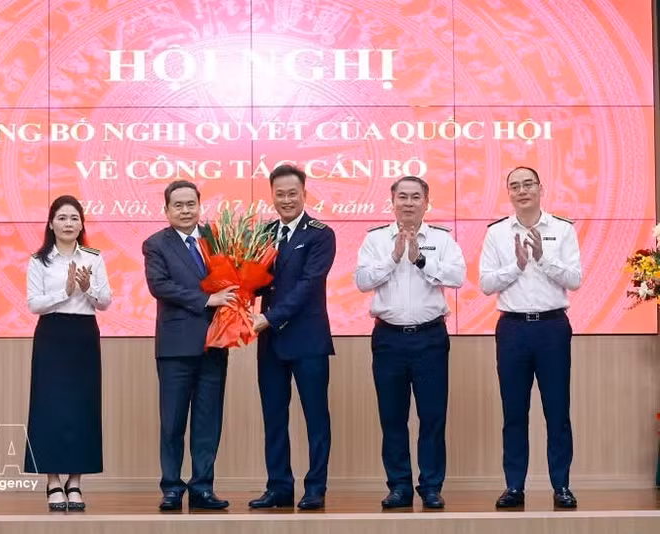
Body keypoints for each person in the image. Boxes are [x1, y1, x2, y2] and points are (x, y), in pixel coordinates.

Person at [354, 176, 466, 510]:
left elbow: (458, 277)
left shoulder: (442, 239)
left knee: (432, 416)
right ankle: (399, 486)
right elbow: (361, 281)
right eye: (402, 197)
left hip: (430, 337)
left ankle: (430, 486)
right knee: (392, 416)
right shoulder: (375, 240)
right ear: (392, 201)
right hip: (388, 338)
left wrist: (420, 259)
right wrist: (393, 258)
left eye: (415, 197)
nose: (408, 203)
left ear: (426, 202)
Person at [479, 166, 582, 509]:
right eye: (514, 186)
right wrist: (517, 266)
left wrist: (543, 258)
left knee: (557, 411)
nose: (522, 190)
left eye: (528, 184)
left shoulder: (563, 229)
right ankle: (514, 487)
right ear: (508, 192)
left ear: (541, 189)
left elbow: (575, 278)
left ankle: (561, 486)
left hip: (552, 328)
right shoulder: (496, 233)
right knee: (514, 412)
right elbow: (486, 284)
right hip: (512, 329)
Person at [142, 180, 238, 511]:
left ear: (200, 205)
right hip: (175, 347)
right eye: (178, 205)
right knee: (172, 421)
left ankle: (202, 488)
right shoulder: (155, 244)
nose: (185, 210)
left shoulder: (217, 239)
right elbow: (160, 286)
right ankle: (171, 487)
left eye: (190, 204)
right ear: (167, 210)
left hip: (215, 343)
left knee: (208, 421)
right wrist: (206, 299)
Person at [249, 164, 336, 510]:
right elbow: (254, 281)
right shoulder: (263, 233)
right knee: (273, 417)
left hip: (308, 339)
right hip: (270, 343)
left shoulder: (320, 234)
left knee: (316, 417)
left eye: (292, 193)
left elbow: (307, 287)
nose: (286, 199)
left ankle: (315, 487)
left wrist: (268, 318)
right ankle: (279, 486)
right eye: (280, 194)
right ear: (272, 196)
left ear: (304, 194)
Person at [24, 194, 112, 512]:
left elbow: (105, 302)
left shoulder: (93, 257)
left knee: (82, 408)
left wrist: (87, 288)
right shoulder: (39, 260)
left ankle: (75, 482)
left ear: (82, 223)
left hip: (84, 335)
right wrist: (67, 291)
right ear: (51, 223)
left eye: (74, 218)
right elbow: (34, 304)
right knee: (50, 408)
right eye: (62, 217)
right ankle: (52, 482)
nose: (69, 223)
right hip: (51, 334)